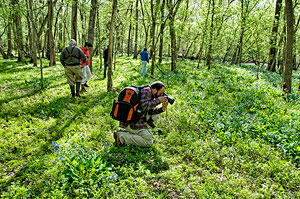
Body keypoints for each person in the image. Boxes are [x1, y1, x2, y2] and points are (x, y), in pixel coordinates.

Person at [114, 81, 169, 147]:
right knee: (148, 141)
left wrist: (162, 109)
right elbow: (144, 106)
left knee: (155, 115)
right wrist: (158, 100)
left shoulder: (150, 93)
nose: (161, 95)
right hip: (132, 121)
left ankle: (132, 132)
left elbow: (150, 111)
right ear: (155, 90)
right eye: (161, 93)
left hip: (135, 117)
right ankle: (121, 137)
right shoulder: (146, 92)